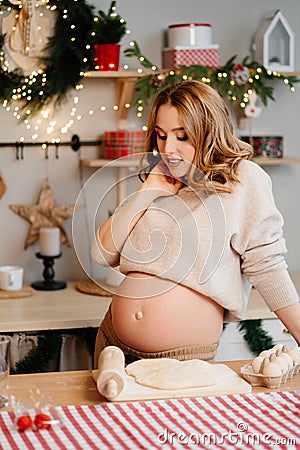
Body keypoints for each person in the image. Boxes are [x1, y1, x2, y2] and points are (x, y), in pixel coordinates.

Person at [91, 80, 300, 366]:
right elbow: (101, 254)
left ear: (209, 132)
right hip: (113, 345)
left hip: (184, 359)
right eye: (161, 136)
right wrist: (148, 191)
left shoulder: (243, 179)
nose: (168, 149)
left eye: (183, 136)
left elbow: (267, 265)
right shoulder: (161, 182)